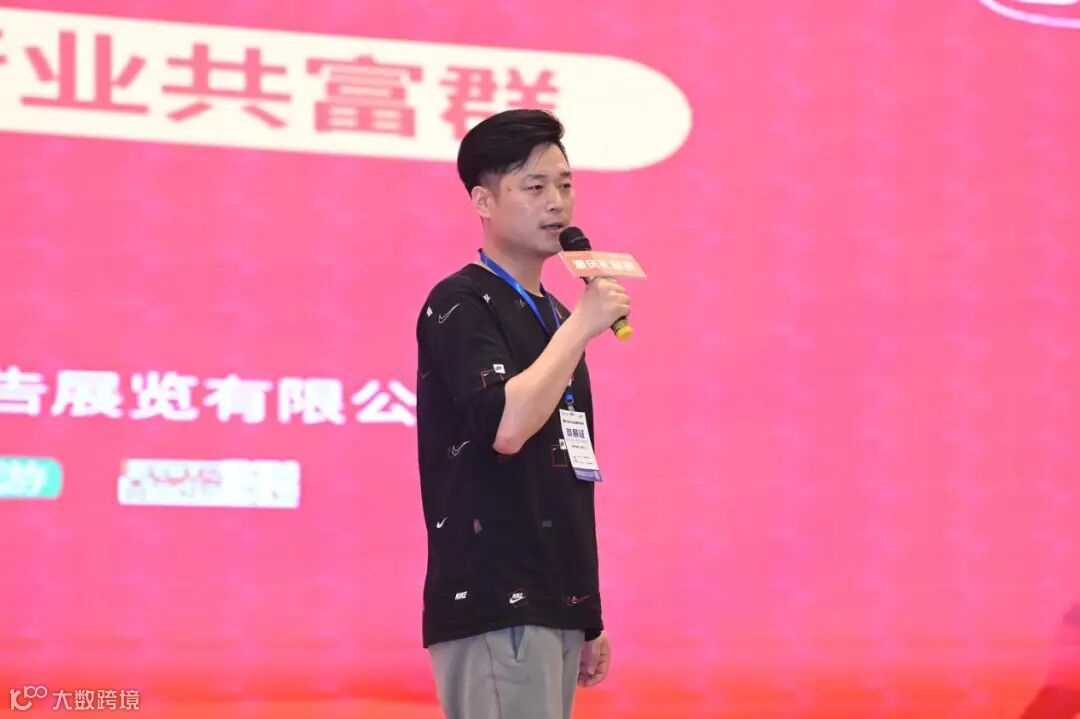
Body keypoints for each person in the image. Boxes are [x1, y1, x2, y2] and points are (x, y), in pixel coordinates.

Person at [415, 108, 630, 719]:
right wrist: (582, 328)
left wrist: (584, 612)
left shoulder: (557, 316)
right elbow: (506, 429)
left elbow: (566, 468)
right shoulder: (461, 301)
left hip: (552, 600)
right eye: (534, 187)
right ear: (483, 201)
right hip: (492, 598)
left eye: (565, 184)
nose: (556, 202)